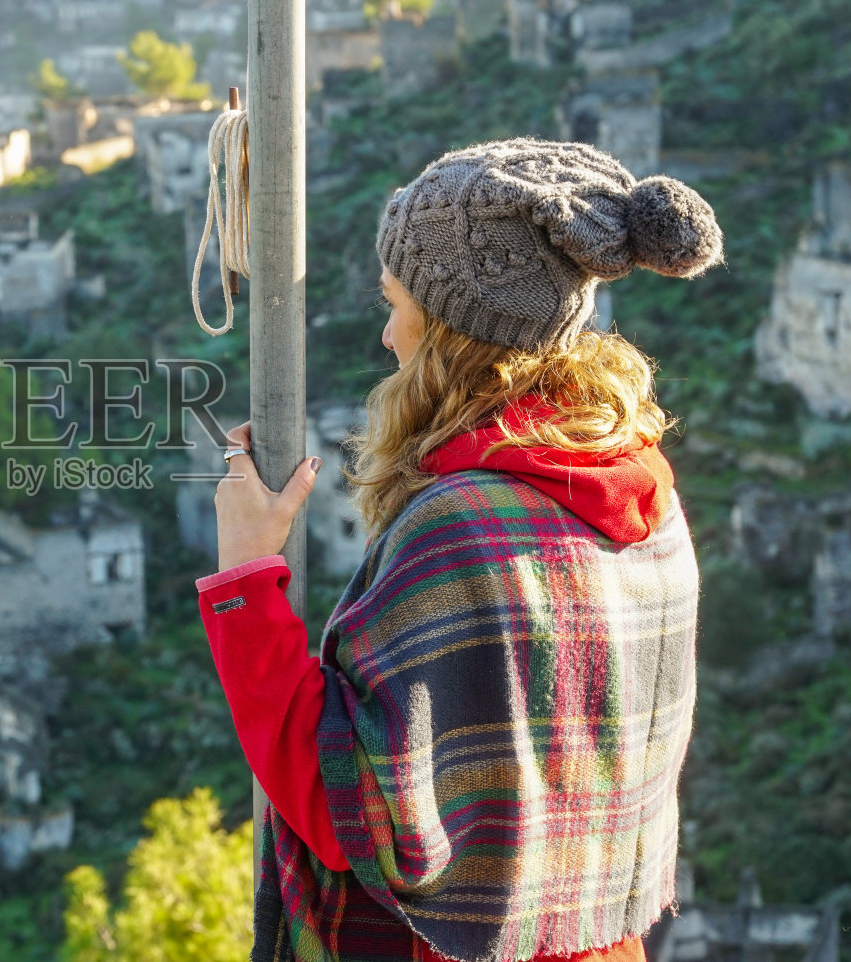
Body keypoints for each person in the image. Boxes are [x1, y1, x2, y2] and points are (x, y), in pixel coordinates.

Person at [197, 139, 724, 962]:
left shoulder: (459, 528)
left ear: (446, 328)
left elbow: (350, 813)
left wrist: (243, 583)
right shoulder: (643, 490)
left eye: (395, 302)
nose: (385, 334)